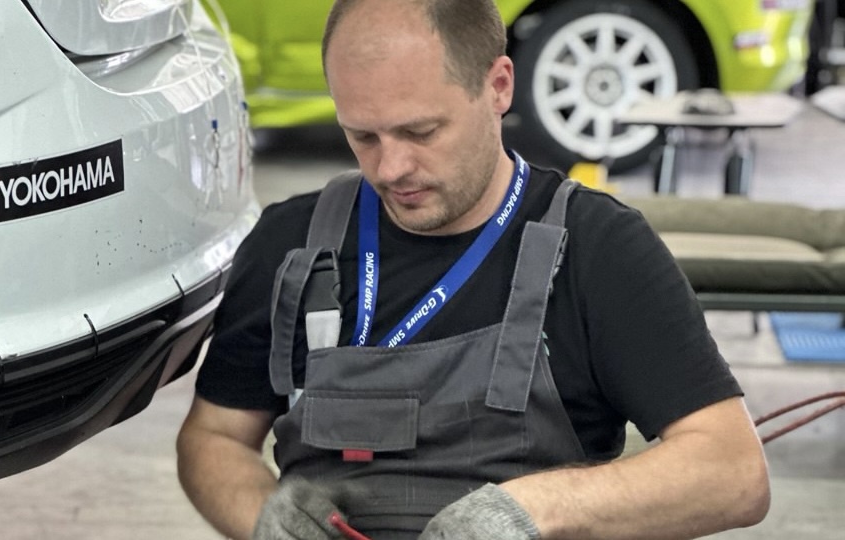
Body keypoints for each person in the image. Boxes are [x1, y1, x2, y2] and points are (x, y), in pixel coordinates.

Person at [176, 0, 770, 538]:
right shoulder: (291, 245)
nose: (391, 168)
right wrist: (263, 517)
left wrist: (536, 511)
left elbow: (733, 471)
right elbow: (214, 437)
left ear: (498, 86)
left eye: (420, 131)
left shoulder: (598, 249)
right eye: (363, 136)